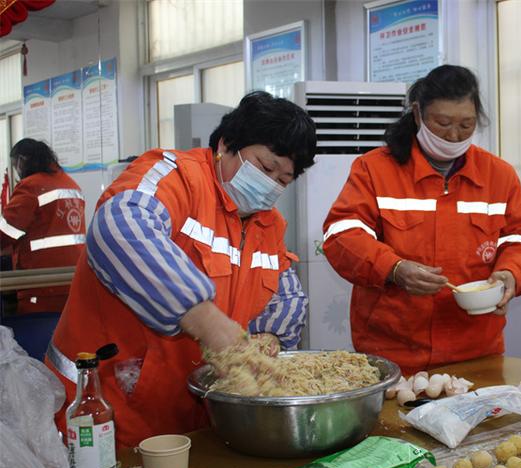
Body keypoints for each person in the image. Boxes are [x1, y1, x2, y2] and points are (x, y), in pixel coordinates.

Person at [45, 91, 316, 447]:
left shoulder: (268, 224)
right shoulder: (175, 177)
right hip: (105, 409)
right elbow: (120, 229)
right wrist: (206, 320)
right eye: (265, 168)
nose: (270, 186)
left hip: (191, 421)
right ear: (225, 144)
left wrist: (272, 336)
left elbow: (284, 294)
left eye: (283, 181)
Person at [322, 65, 521, 373]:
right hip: (393, 350)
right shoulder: (374, 169)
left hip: (476, 349)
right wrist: (394, 269)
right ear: (417, 114)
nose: (453, 135)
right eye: (442, 123)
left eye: (466, 125)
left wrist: (511, 274)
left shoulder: (499, 175)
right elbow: (342, 235)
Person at [0, 139, 85, 314]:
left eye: (16, 165)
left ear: (22, 160)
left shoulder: (31, 186)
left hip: (40, 282)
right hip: (73, 279)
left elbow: (6, 233)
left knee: (36, 336)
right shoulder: (71, 185)